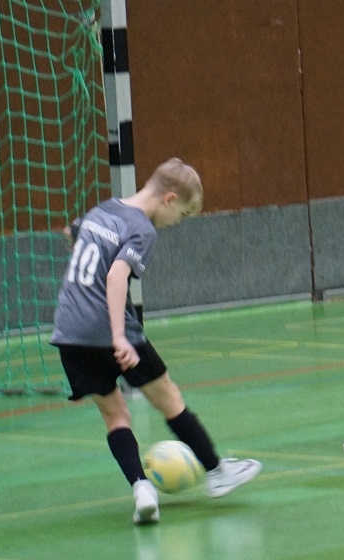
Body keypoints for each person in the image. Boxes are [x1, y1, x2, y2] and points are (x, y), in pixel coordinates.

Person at [50, 158, 261, 525]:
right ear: (169, 198)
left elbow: (73, 233)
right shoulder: (142, 229)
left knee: (116, 415)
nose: (177, 222)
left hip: (69, 330)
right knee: (170, 399)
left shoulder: (103, 210)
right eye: (182, 214)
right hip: (110, 328)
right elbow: (117, 277)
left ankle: (141, 488)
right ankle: (216, 472)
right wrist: (119, 336)